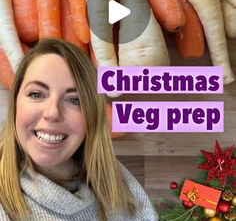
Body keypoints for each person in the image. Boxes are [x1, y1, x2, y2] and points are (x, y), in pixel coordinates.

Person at [0, 38, 158, 220]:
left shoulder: (119, 186)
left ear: (91, 115)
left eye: (74, 100)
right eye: (36, 94)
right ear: (16, 104)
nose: (52, 113)